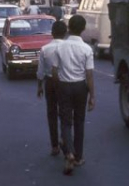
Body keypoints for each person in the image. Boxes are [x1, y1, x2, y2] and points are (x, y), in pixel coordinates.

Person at [52, 15, 95, 175]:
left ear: (69, 27)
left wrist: (58, 88)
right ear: (83, 29)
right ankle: (78, 156)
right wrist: (92, 96)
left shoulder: (60, 47)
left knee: (65, 121)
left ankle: (68, 152)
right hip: (80, 87)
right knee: (79, 121)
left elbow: (54, 71)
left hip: (64, 86)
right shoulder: (86, 49)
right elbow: (89, 75)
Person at [37, 20, 67, 156]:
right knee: (65, 112)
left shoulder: (45, 49)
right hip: (66, 81)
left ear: (52, 33)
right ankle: (65, 138)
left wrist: (39, 86)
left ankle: (54, 145)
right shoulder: (69, 48)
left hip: (50, 82)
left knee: (52, 113)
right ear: (65, 33)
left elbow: (40, 71)